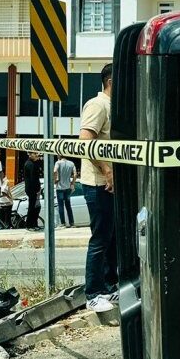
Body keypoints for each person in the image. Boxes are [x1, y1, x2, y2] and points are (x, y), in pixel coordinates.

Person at [80, 64, 118, 312]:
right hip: (98, 183)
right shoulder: (97, 105)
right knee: (100, 239)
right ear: (111, 81)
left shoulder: (113, 106)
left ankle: (109, 287)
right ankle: (93, 293)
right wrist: (106, 169)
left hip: (111, 183)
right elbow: (85, 140)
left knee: (112, 238)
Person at [54, 156, 77, 228]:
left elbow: (54, 171)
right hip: (68, 187)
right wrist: (72, 183)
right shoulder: (71, 163)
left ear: (59, 156)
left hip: (60, 188)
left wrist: (55, 180)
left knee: (61, 205)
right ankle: (72, 223)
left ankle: (63, 223)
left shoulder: (58, 163)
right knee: (68, 206)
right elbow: (75, 174)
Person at [23, 151, 42, 231]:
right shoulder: (29, 164)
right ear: (30, 155)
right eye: (35, 154)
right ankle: (29, 225)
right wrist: (36, 189)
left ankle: (34, 223)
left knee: (36, 207)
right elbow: (32, 178)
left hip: (35, 188)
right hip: (31, 189)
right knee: (32, 207)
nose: (36, 155)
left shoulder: (34, 163)